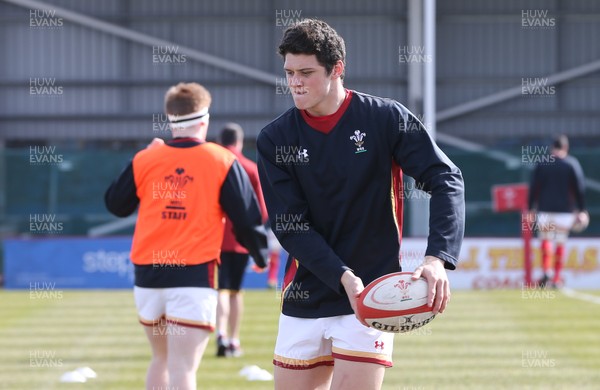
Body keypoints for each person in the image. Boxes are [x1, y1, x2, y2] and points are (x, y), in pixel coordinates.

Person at [257, 19, 465, 390]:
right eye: (289, 72)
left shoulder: (385, 118)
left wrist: (437, 258)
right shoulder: (276, 138)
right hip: (308, 290)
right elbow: (290, 226)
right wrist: (341, 276)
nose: (295, 83)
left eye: (306, 72)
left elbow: (446, 179)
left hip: (374, 294)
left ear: (337, 69)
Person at [105, 82, 268, 390]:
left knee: (160, 360)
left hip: (147, 276)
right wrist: (259, 255)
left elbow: (116, 204)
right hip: (193, 275)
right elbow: (247, 218)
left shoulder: (147, 158)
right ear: (204, 121)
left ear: (170, 119)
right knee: (183, 369)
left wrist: (139, 160)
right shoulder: (221, 160)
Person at [216, 123, 268, 357]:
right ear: (239, 141)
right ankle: (234, 340)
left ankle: (220, 334)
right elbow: (261, 211)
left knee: (219, 290)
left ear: (220, 141)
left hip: (212, 239)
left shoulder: (211, 165)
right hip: (240, 240)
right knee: (235, 291)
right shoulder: (251, 168)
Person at [528, 135, 588, 288]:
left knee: (546, 240)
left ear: (551, 148)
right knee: (560, 242)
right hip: (565, 213)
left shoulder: (542, 163)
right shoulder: (571, 164)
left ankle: (546, 271)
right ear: (566, 148)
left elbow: (533, 188)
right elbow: (580, 188)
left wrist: (530, 209)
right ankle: (556, 278)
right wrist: (581, 210)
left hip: (545, 211)